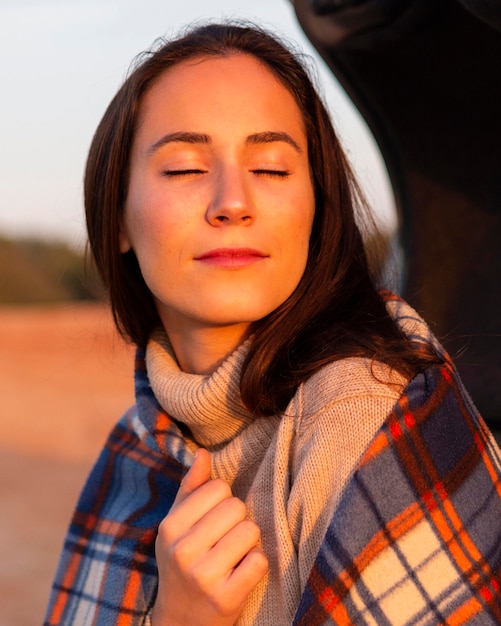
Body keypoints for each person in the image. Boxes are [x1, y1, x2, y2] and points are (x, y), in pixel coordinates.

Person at [44, 22, 501, 626]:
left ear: (316, 209)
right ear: (119, 217)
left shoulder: (360, 413)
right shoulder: (142, 441)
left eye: (271, 169)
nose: (233, 201)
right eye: (184, 169)